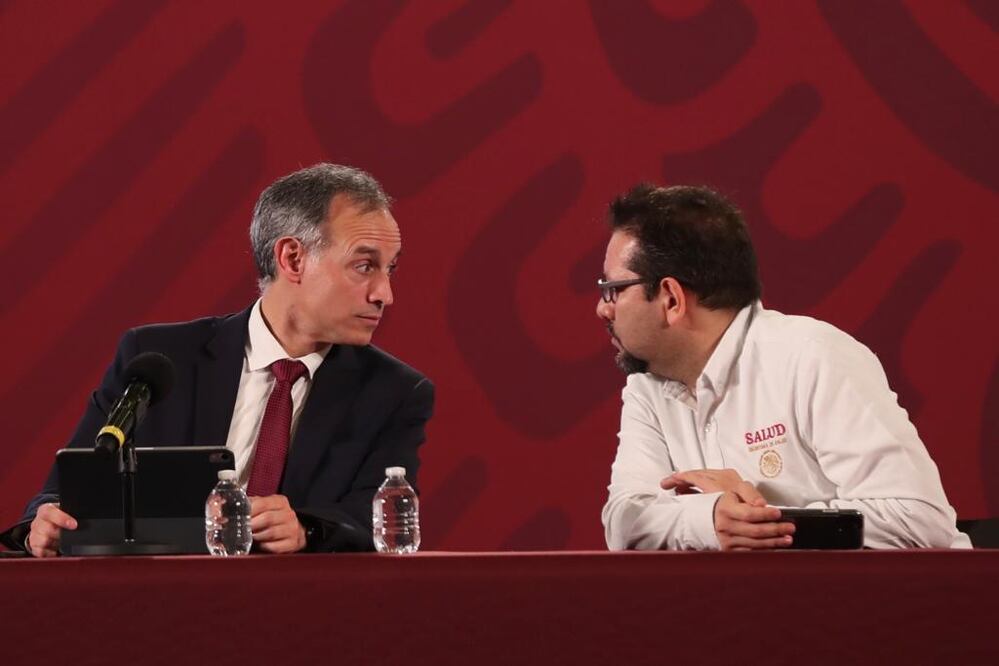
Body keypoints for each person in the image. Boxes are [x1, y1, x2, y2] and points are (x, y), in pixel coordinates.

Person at [1, 163, 434, 556]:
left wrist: (307, 529)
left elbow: (377, 520)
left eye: (390, 269)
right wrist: (39, 528)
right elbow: (61, 495)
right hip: (154, 607)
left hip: (299, 614)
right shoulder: (156, 361)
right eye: (364, 266)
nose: (384, 294)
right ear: (293, 258)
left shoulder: (394, 392)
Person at [597, 183, 968, 550]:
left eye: (613, 289)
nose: (603, 308)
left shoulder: (811, 355)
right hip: (783, 604)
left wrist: (759, 521)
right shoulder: (648, 388)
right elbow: (625, 522)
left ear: (671, 298)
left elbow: (919, 521)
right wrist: (709, 519)